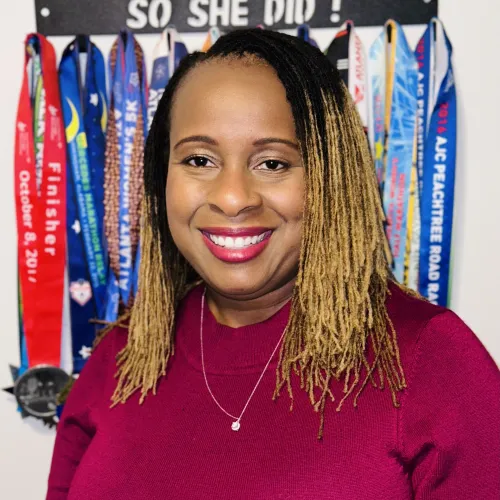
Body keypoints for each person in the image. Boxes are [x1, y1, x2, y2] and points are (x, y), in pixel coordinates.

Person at [47, 29, 500, 499]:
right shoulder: (120, 359)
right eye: (199, 159)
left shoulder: (431, 360)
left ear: (332, 177)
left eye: (274, 164)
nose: (232, 197)